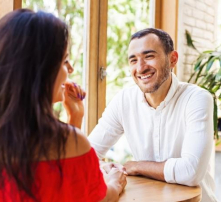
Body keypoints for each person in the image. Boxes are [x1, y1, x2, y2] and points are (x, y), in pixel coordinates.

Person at [0, 9, 126, 202]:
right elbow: (100, 198)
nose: (71, 70)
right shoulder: (73, 143)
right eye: (65, 60)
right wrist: (115, 181)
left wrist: (74, 121)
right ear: (42, 70)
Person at [88, 28, 217, 202]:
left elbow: (191, 172)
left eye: (149, 56)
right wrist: (107, 167)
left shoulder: (197, 99)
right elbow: (88, 155)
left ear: (172, 59)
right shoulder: (123, 101)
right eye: (133, 60)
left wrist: (137, 166)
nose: (140, 68)